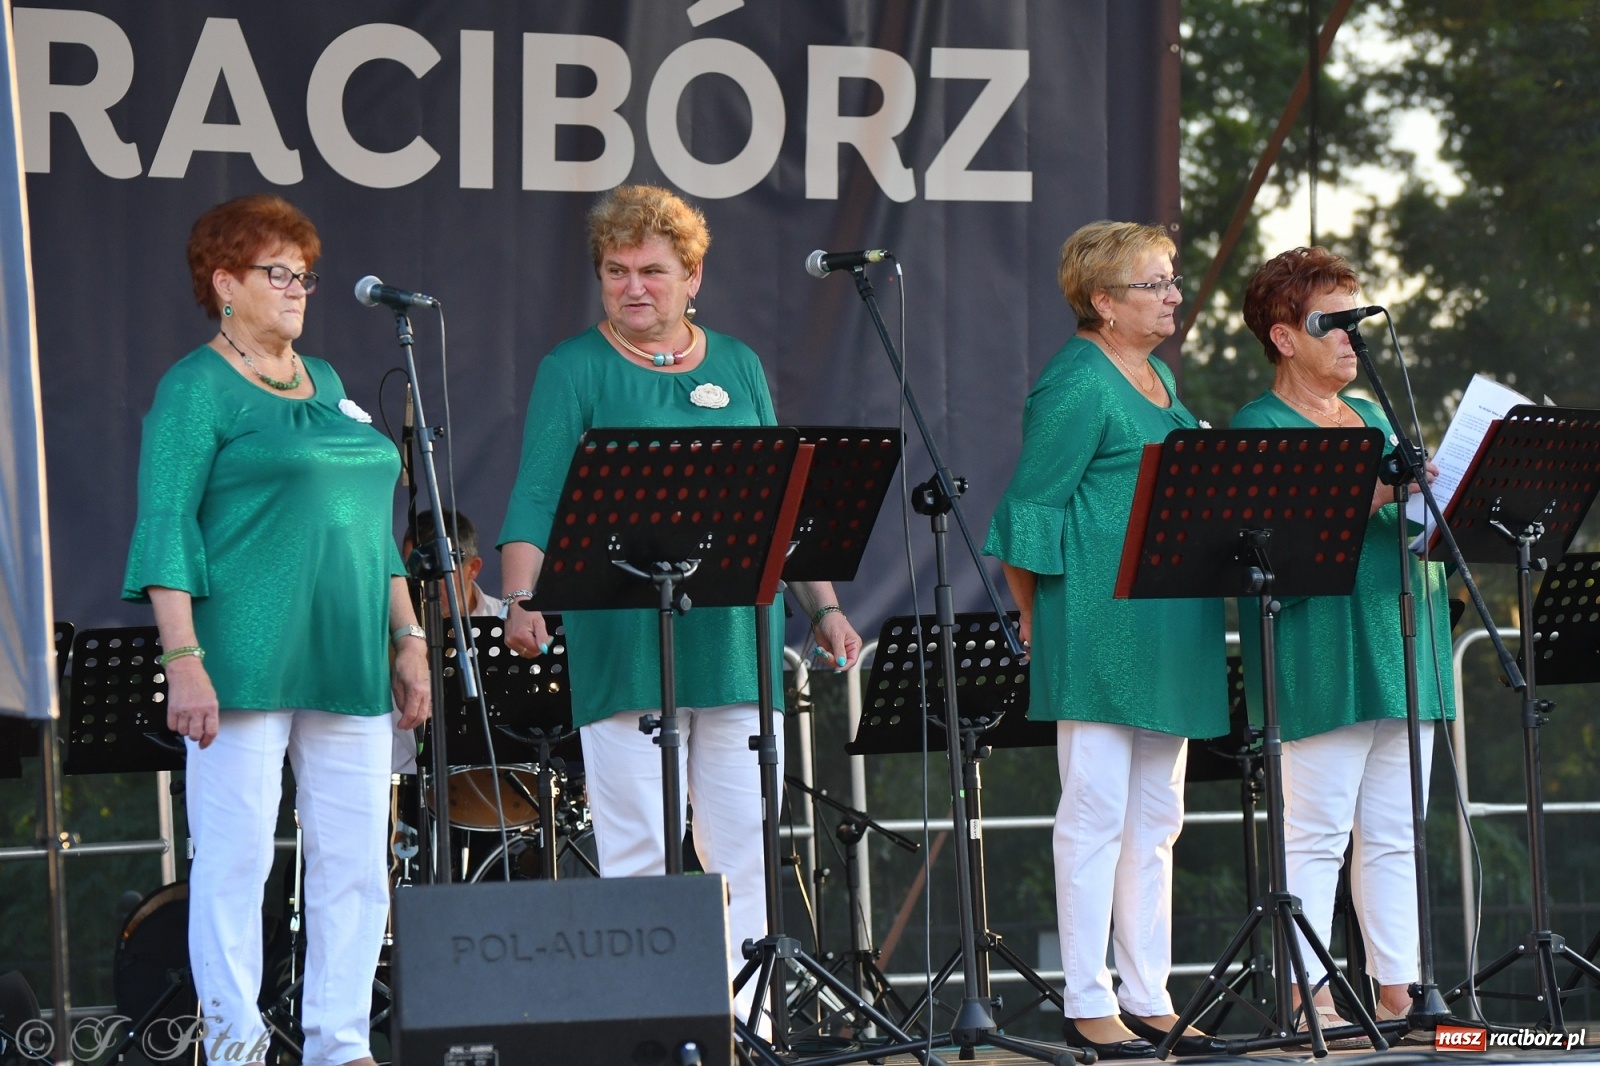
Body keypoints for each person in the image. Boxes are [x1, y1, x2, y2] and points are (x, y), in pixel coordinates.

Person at [497, 184, 862, 1017]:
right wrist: (524, 595)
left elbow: (783, 502)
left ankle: (747, 1025)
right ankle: (647, 1026)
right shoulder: (574, 367)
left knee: (740, 846)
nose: (633, 287)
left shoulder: (736, 364)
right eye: (616, 271)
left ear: (692, 276)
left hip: (736, 637)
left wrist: (827, 607)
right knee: (637, 847)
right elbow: (535, 498)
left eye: (653, 271)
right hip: (624, 641)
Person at [123, 194, 429, 1066]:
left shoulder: (327, 382)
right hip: (244, 658)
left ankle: (340, 1044)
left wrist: (406, 638)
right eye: (278, 274)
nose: (299, 289)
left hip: (348, 658)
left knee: (356, 862)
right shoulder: (195, 387)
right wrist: (184, 658)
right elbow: (165, 527)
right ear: (226, 283)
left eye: (305, 275)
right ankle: (236, 1048)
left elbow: (370, 531)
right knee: (236, 862)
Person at [984, 220, 1229, 1058]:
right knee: (1092, 814)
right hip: (1097, 623)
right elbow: (1027, 511)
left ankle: (1147, 993)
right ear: (1102, 301)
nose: (1173, 295)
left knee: (1157, 818)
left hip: (1168, 621)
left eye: (1171, 279)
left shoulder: (1154, 372)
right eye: (1155, 283)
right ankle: (1089, 1000)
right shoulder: (1079, 381)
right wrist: (1033, 614)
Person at [1235, 246, 1454, 1033]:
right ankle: (1308, 991)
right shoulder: (1258, 423)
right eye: (1333, 322)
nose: (1352, 338)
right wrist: (1390, 487)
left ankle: (1400, 984)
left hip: (1401, 639)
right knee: (1318, 831)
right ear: (1285, 337)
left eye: (1358, 320)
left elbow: (1399, 518)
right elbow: (1288, 527)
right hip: (1320, 646)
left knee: (1396, 831)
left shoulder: (1371, 417)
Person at [393, 508, 503, 774]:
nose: (423, 584)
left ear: (473, 568)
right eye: (414, 571)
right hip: (403, 782)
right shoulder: (391, 631)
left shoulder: (504, 621)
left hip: (496, 781)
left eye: (439, 573)